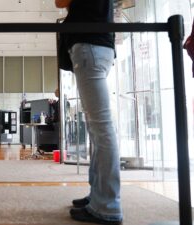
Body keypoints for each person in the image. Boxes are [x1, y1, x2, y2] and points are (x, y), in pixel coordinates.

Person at [55, 0, 122, 224]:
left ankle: (107, 206)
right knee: (97, 128)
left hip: (89, 45)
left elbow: (60, 1)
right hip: (101, 46)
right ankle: (99, 196)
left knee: (101, 128)